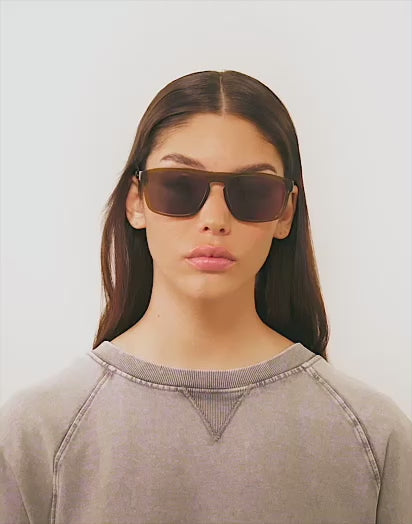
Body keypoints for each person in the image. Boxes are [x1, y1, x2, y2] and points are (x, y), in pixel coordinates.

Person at [1, 70, 411, 524]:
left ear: (286, 212)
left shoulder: (375, 438)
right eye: (180, 185)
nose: (215, 219)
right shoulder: (37, 434)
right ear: (135, 201)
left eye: (252, 191)